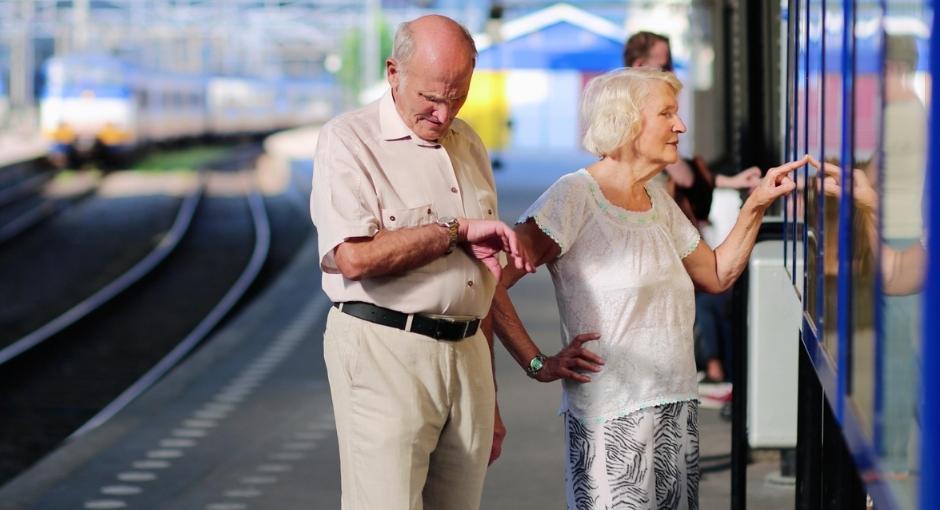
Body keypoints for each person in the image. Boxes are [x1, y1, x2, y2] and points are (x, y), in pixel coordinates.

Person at [490, 68, 807, 508]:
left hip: (675, 405)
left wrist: (756, 206)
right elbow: (488, 282)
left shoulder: (658, 197)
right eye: (667, 113)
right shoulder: (573, 197)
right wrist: (537, 361)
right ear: (627, 121)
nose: (680, 126)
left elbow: (716, 274)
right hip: (612, 418)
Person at [310, 15, 531, 510]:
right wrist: (451, 230)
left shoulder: (469, 143)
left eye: (458, 96)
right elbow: (353, 258)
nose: (443, 111)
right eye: (431, 97)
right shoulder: (348, 141)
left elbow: (483, 280)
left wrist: (490, 395)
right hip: (386, 348)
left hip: (468, 353)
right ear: (394, 72)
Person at [625, 30, 761, 383]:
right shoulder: (637, 121)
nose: (679, 126)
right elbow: (683, 175)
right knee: (702, 293)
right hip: (652, 229)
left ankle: (703, 369)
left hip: (664, 223)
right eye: (664, 61)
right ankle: (713, 370)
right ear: (641, 66)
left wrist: (735, 184)